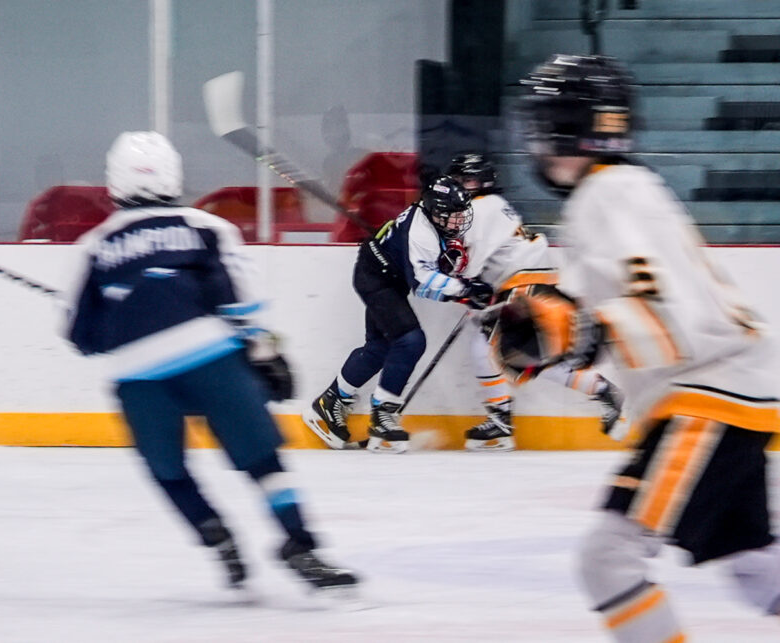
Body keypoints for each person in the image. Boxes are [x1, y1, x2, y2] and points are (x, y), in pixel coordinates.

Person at [517, 54, 780, 641]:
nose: (537, 142)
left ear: (571, 128)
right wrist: (546, 324)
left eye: (546, 125)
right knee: (758, 570)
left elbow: (659, 303)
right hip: (729, 392)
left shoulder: (607, 193)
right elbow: (618, 301)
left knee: (607, 561)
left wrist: (575, 329)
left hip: (709, 398)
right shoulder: (622, 190)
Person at [64, 131, 357, 592]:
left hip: (137, 374)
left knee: (168, 469)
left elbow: (82, 337)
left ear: (115, 180)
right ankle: (301, 544)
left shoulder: (95, 245)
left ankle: (213, 533)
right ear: (173, 175)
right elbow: (239, 300)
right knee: (262, 459)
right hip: (210, 356)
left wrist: (116, 320)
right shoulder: (204, 226)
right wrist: (266, 352)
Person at [445, 151, 625, 452]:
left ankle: (502, 419)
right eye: (458, 180)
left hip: (522, 281)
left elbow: (470, 261)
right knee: (517, 354)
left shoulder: (482, 207)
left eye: (468, 180)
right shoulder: (491, 205)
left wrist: (460, 287)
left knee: (496, 348)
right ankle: (600, 390)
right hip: (528, 278)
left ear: (483, 181)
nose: (462, 185)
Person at [302, 175, 492, 453]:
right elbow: (423, 282)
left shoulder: (431, 224)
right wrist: (464, 289)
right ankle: (383, 416)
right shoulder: (422, 233)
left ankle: (330, 402)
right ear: (437, 212)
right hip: (376, 278)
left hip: (385, 276)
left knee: (379, 348)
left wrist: (460, 293)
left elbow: (423, 286)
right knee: (410, 341)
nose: (458, 221)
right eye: (453, 215)